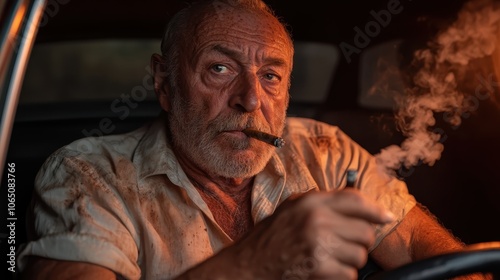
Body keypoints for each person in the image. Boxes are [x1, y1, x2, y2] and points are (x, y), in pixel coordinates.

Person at [17, 0, 488, 279]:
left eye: (270, 76)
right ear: (164, 83)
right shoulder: (89, 174)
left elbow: (425, 253)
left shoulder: (325, 150)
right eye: (219, 69)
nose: (249, 100)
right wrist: (255, 262)